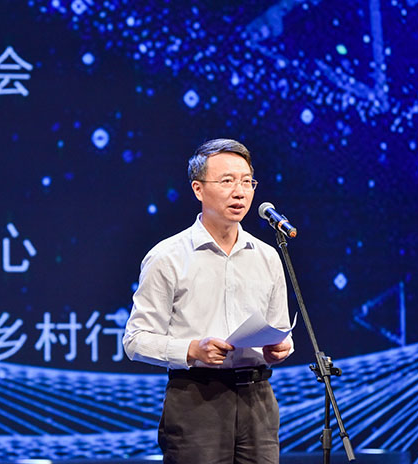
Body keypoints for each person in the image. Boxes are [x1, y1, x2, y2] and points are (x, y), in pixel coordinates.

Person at [123, 138, 293, 464]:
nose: (239, 192)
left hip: (258, 399)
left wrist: (280, 349)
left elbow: (280, 329)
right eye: (227, 181)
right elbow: (135, 339)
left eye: (247, 182)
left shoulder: (267, 256)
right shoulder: (167, 257)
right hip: (197, 398)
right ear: (198, 189)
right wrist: (191, 350)